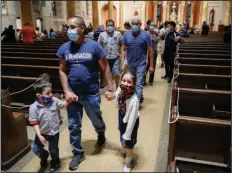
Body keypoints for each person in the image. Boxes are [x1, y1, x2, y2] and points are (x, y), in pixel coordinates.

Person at [57, 16, 114, 170]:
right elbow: (62, 71)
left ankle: (100, 132)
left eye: (72, 26)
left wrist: (110, 88)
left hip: (91, 93)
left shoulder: (94, 47)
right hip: (73, 95)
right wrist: (66, 91)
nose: (68, 30)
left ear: (82, 28)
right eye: (67, 27)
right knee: (73, 125)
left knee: (96, 119)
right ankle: (78, 153)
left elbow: (106, 67)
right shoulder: (64, 48)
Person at [29, 80, 68, 173]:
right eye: (48, 93)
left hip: (53, 131)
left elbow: (62, 105)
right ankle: (44, 156)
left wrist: (68, 100)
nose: (51, 95)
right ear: (38, 95)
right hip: (42, 132)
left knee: (53, 150)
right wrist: (39, 135)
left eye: (51, 92)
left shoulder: (54, 100)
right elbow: (34, 123)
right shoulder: (33, 107)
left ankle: (55, 162)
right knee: (36, 148)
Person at [107, 71, 140, 173]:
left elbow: (132, 121)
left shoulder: (134, 100)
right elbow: (117, 92)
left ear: (134, 84)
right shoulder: (121, 90)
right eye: (124, 80)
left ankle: (128, 160)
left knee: (128, 142)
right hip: (122, 116)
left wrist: (127, 135)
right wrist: (112, 95)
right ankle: (125, 144)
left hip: (131, 122)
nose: (125, 84)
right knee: (122, 135)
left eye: (129, 82)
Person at [121, 16, 154, 104]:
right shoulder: (126, 35)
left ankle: (136, 103)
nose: (134, 26)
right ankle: (135, 97)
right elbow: (123, 49)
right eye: (133, 24)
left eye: (136, 24)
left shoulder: (146, 35)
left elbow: (150, 50)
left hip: (141, 64)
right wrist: (123, 63)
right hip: (130, 64)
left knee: (139, 84)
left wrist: (151, 65)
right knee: (131, 82)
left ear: (140, 24)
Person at [98, 19, 122, 89]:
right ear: (106, 26)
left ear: (114, 26)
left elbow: (122, 44)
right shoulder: (102, 35)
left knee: (116, 73)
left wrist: (120, 52)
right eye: (108, 25)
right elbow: (98, 46)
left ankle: (117, 88)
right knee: (107, 74)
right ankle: (110, 87)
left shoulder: (118, 34)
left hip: (115, 57)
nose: (110, 27)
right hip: (105, 58)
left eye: (111, 25)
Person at [144, 21, 159, 86]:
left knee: (153, 66)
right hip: (146, 53)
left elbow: (157, 41)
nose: (152, 26)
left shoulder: (156, 33)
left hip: (154, 52)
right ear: (148, 25)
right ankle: (143, 80)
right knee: (146, 67)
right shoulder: (145, 34)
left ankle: (151, 80)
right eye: (151, 25)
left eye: (153, 25)